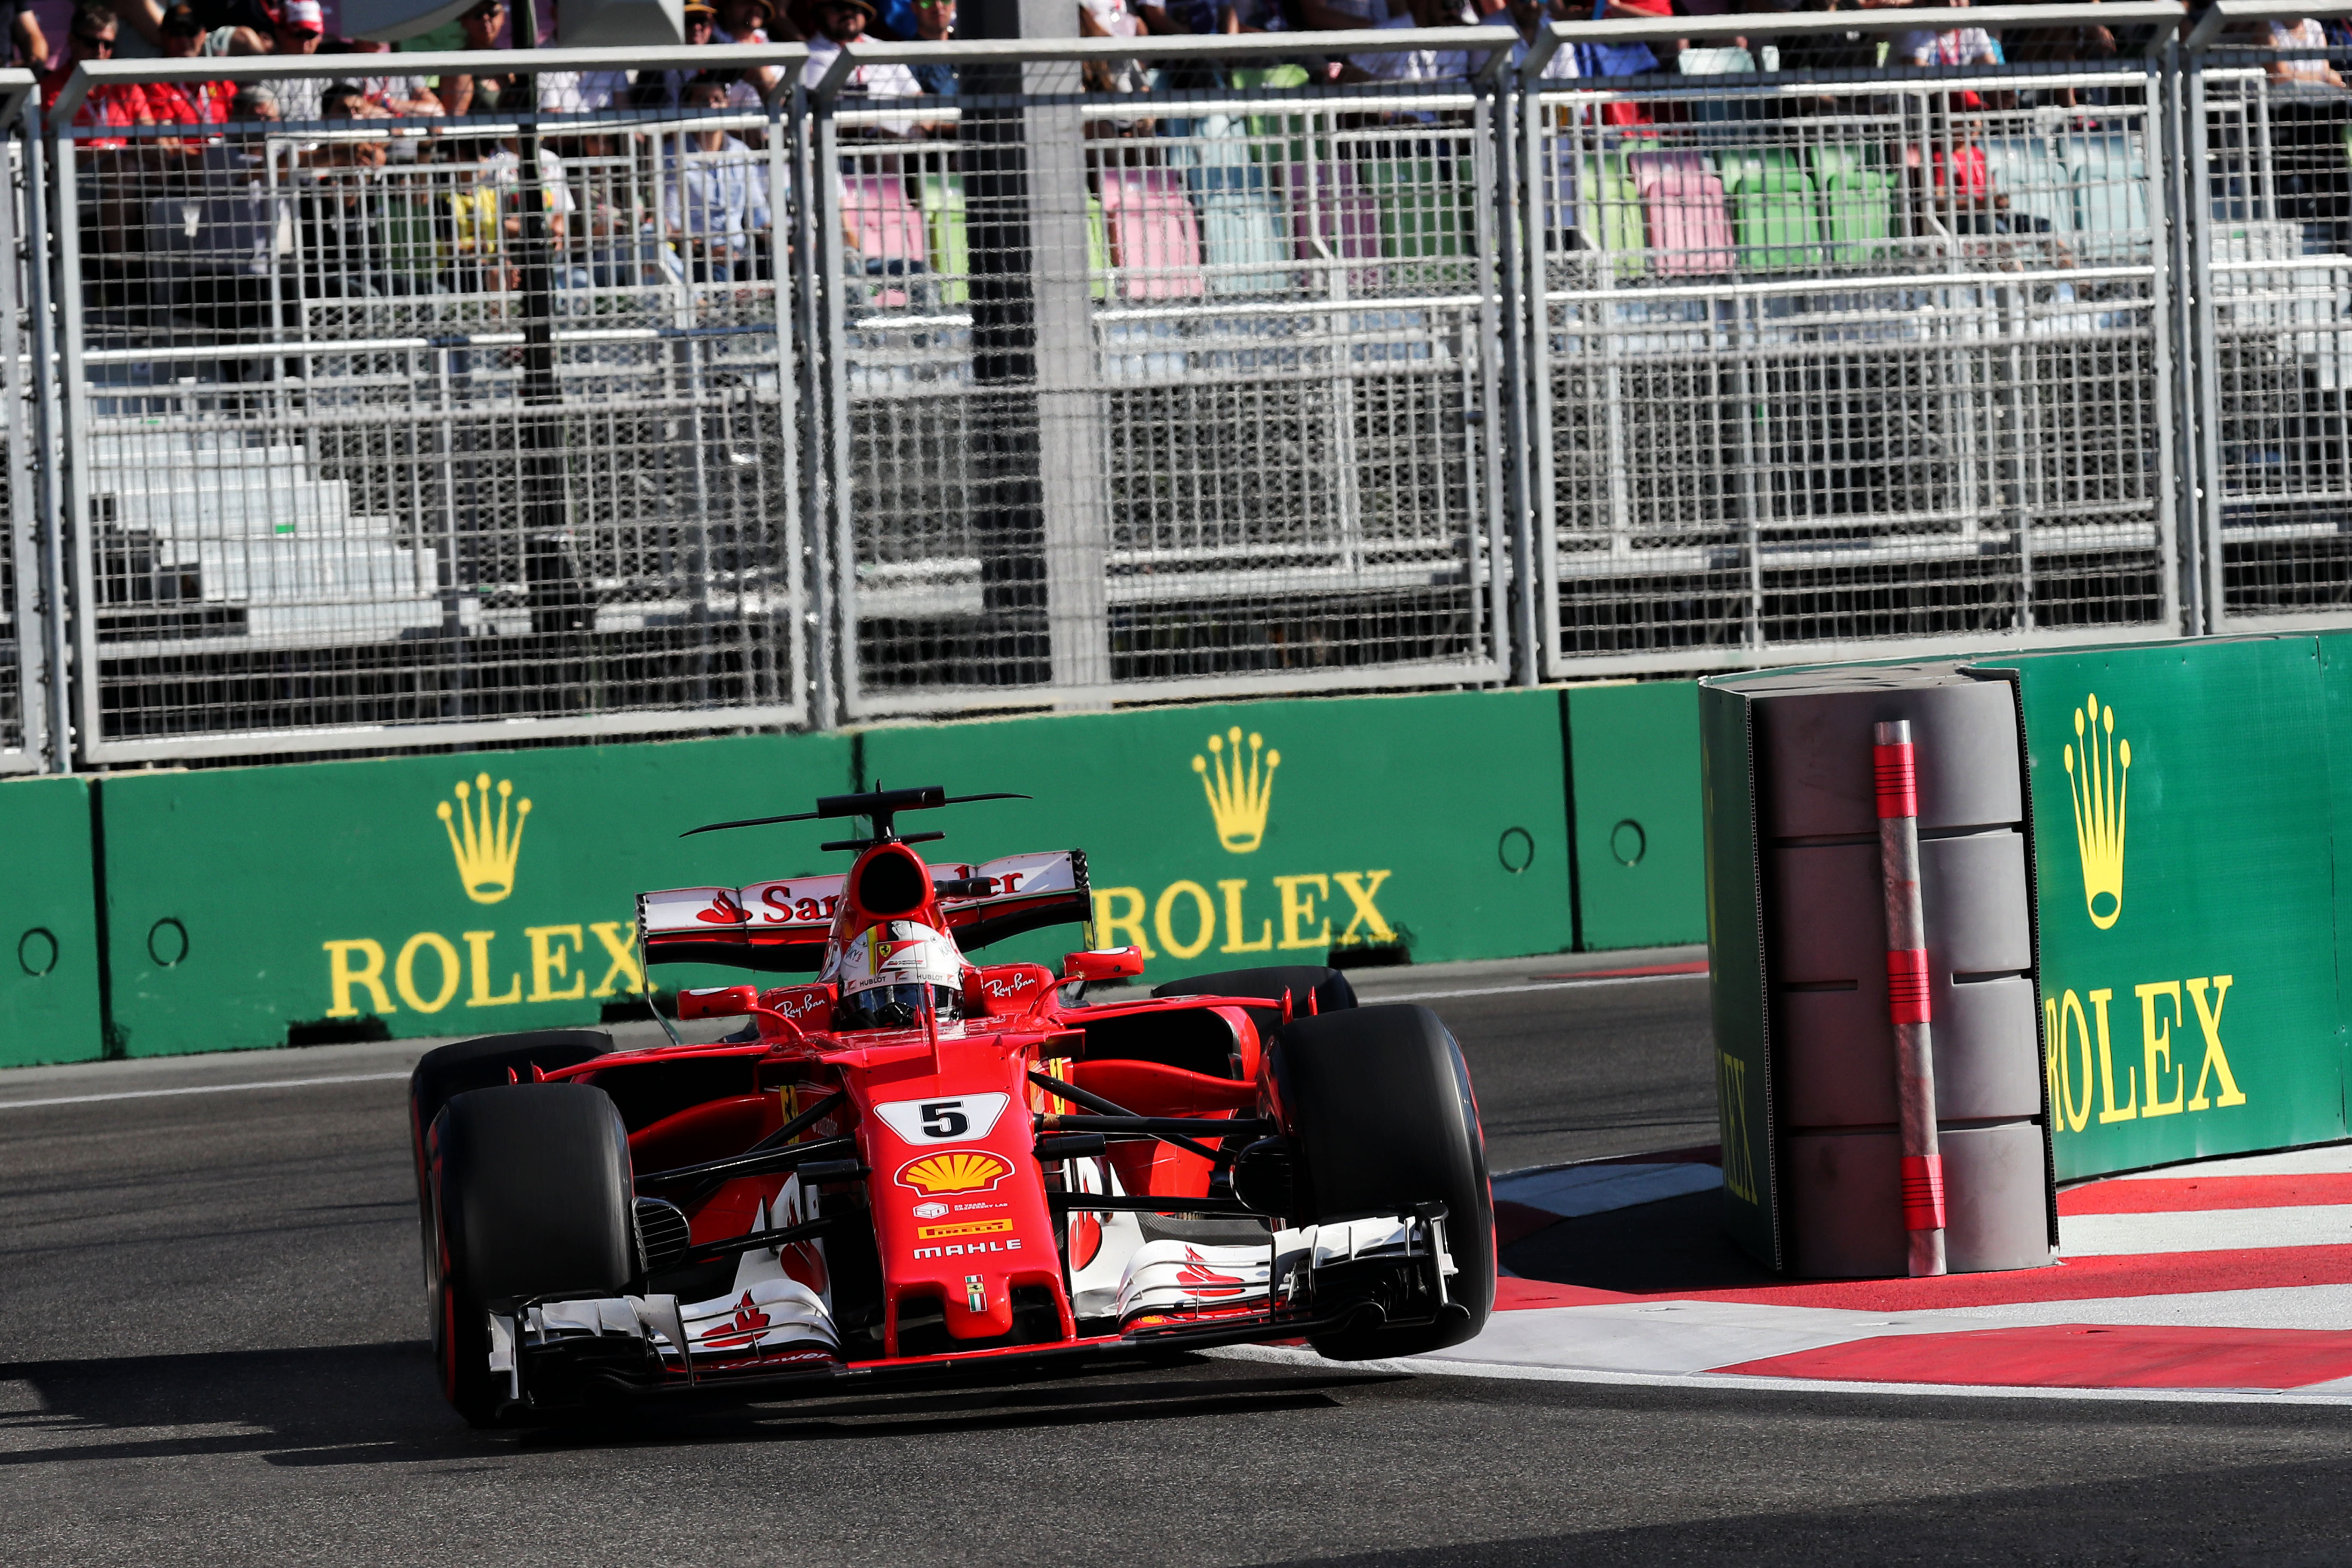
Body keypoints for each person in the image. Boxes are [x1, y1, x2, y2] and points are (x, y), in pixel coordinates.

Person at [662, 72, 775, 281]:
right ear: (688, 107)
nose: (712, 106)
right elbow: (671, 223)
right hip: (696, 256)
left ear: (727, 104)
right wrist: (706, 251)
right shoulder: (672, 155)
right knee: (717, 274)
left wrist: (784, 246)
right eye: (704, 101)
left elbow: (759, 217)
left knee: (789, 263)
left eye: (717, 100)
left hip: (740, 253)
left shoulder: (741, 152)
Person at [40, 3, 155, 149]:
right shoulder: (50, 88)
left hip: (124, 165)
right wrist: (111, 157)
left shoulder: (125, 86)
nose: (100, 51)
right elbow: (51, 152)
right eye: (92, 43)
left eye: (107, 45)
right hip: (78, 169)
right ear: (72, 41)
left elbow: (151, 134)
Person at [142, 4, 235, 127]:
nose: (184, 40)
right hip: (183, 146)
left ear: (203, 35)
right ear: (163, 36)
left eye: (191, 32)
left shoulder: (220, 82)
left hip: (226, 145)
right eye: (176, 33)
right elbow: (167, 141)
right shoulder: (154, 85)